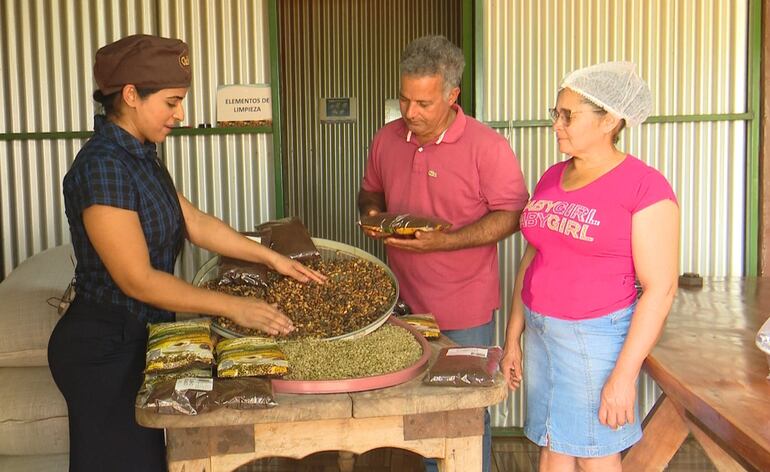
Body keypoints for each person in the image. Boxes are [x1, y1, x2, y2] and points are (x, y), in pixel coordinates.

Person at [48, 34, 325, 472]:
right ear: (131, 95)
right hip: (102, 348)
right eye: (172, 102)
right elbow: (137, 279)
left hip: (143, 336)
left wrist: (269, 257)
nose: (180, 114)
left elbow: (193, 221)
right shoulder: (102, 166)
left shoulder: (141, 155)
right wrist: (237, 307)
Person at [358, 35, 529, 472]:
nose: (409, 113)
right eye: (404, 99)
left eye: (423, 103)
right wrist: (374, 217)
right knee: (413, 408)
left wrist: (447, 241)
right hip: (400, 306)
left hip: (464, 310)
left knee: (464, 411)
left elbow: (511, 215)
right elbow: (370, 191)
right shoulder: (387, 138)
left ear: (453, 96)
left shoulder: (487, 147)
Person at [500, 61, 679, 471]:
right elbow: (532, 256)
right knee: (553, 447)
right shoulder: (552, 177)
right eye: (556, 113)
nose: (556, 124)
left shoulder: (644, 186)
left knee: (595, 457)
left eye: (568, 115)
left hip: (594, 340)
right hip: (543, 334)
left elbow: (661, 289)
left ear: (609, 121)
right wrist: (514, 338)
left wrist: (623, 377)